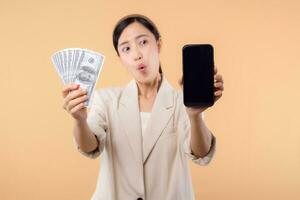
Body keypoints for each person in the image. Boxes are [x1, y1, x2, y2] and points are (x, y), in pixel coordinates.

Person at [62, 14, 224, 200]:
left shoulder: (182, 101)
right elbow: (90, 147)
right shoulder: (106, 100)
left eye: (143, 42)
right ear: (120, 58)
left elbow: (201, 152)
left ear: (159, 44)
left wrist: (194, 115)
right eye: (126, 49)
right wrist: (80, 120)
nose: (137, 54)